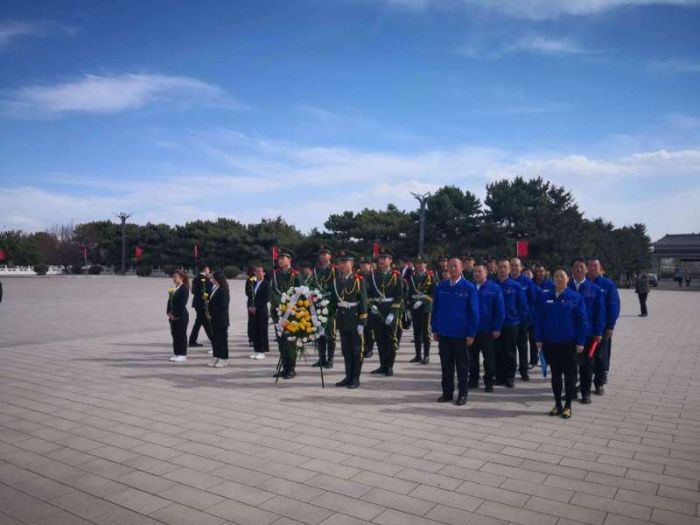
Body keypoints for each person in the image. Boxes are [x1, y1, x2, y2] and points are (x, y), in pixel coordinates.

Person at [535, 267, 588, 419]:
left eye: (562, 276)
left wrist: (581, 341)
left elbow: (582, 322)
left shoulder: (575, 297)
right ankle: (557, 404)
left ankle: (568, 405)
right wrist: (538, 338)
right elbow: (539, 319)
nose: (559, 279)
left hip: (569, 344)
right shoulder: (545, 297)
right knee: (556, 375)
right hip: (551, 343)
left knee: (570, 375)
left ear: (568, 279)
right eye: (556, 276)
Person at [431, 258, 479, 406]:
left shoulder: (469, 287)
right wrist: (435, 328)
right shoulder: (441, 286)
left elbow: (474, 313)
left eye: (455, 266)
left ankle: (462, 394)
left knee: (462, 366)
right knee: (446, 365)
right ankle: (447, 393)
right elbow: (435, 309)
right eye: (450, 266)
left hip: (461, 334)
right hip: (444, 333)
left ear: (461, 268)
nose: (452, 269)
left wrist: (471, 333)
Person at [568, 259, 605, 404]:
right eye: (575, 267)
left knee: (587, 365)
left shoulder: (594, 289)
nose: (578, 270)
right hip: (569, 333)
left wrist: (599, 332)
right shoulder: (565, 287)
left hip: (588, 334)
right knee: (570, 365)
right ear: (571, 270)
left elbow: (600, 312)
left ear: (586, 270)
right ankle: (571, 392)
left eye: (581, 267)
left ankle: (585, 393)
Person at [331, 250, 368, 388]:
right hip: (342, 319)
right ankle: (348, 376)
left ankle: (355, 378)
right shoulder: (336, 280)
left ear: (351, 263)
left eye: (345, 262)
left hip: (355, 319)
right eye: (340, 262)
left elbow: (363, 301)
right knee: (346, 350)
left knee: (356, 350)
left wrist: (362, 322)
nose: (342, 265)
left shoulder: (358, 280)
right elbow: (334, 301)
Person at [367, 247, 403, 377]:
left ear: (390, 260)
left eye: (384, 258)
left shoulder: (396, 276)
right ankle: (382, 365)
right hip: (377, 310)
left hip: (390, 309)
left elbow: (399, 297)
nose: (381, 260)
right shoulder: (372, 276)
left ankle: (390, 366)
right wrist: (372, 306)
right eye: (380, 258)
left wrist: (393, 313)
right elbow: (369, 295)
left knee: (391, 339)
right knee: (379, 339)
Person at [469, 263, 504, 392]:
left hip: (488, 330)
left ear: (486, 272)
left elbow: (500, 310)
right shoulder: (469, 287)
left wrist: (497, 327)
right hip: (472, 330)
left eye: (479, 271)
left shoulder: (494, 288)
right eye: (475, 272)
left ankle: (489, 381)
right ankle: (473, 380)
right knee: (472, 357)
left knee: (489, 358)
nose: (476, 274)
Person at [587, 259, 620, 395]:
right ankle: (584, 383)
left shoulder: (608, 284)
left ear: (600, 268)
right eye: (590, 266)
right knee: (586, 358)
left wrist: (610, 325)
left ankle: (599, 383)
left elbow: (614, 305)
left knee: (601, 357)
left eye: (595, 266)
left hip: (602, 328)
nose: (592, 268)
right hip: (586, 328)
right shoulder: (583, 283)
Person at [494, 259, 528, 388]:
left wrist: (519, 320)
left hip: (511, 323)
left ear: (509, 270)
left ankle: (509, 377)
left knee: (510, 352)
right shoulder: (492, 285)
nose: (502, 269)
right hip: (496, 325)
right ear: (497, 269)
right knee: (497, 351)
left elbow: (522, 305)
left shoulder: (516, 286)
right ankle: (499, 377)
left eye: (505, 267)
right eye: (500, 267)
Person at [270, 248, 302, 379]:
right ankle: (285, 367)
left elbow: (300, 293)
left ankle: (292, 369)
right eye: (279, 258)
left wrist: (289, 307)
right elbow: (272, 292)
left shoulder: (296, 275)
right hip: (278, 312)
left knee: (291, 342)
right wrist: (278, 306)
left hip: (291, 313)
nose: (280, 260)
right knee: (281, 341)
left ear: (290, 260)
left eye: (283, 258)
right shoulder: (275, 274)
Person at [308, 245, 337, 369]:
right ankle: (322, 358)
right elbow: (312, 285)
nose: (323, 256)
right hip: (318, 305)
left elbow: (337, 287)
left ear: (330, 256)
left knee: (330, 333)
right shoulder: (316, 270)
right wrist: (312, 294)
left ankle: (330, 359)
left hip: (330, 306)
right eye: (321, 254)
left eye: (325, 254)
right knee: (320, 333)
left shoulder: (334, 269)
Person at [510, 257, 537, 381]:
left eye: (516, 265)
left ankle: (523, 370)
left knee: (522, 346)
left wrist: (527, 315)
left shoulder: (527, 282)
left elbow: (533, 299)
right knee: (509, 347)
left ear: (521, 267)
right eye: (512, 265)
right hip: (509, 320)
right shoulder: (505, 280)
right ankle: (509, 371)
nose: (514, 268)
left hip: (522, 320)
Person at [407, 256, 435, 364]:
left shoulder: (430, 277)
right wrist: (409, 308)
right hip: (415, 307)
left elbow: (433, 294)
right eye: (417, 263)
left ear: (425, 264)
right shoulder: (413, 277)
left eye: (421, 263)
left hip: (425, 308)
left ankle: (426, 356)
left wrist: (422, 301)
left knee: (426, 332)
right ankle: (418, 355)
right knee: (416, 332)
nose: (419, 265)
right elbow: (409, 294)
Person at [207, 270, 230, 368]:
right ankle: (216, 356)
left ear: (217, 279)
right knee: (215, 339)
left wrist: (212, 314)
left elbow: (222, 306)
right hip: (213, 319)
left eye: (212, 277)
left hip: (221, 319)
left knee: (222, 339)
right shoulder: (214, 288)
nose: (211, 279)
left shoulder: (223, 289)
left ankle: (224, 358)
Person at [167, 269, 190, 363]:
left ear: (182, 278)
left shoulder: (184, 288)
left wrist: (175, 315)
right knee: (175, 335)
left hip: (180, 316)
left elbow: (181, 304)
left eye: (175, 277)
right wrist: (168, 312)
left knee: (181, 335)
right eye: (173, 277)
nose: (174, 278)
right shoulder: (175, 288)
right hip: (172, 316)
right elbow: (169, 301)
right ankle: (177, 353)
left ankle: (182, 354)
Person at [248, 265, 270, 359]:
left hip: (262, 310)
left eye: (259, 271)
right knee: (255, 330)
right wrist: (250, 306)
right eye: (256, 271)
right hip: (253, 311)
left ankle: (262, 351)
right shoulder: (253, 283)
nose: (257, 273)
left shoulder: (266, 284)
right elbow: (250, 296)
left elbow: (266, 298)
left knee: (262, 330)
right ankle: (256, 350)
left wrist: (256, 306)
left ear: (264, 273)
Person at [188, 264, 212, 348]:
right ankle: (213, 339)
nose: (209, 271)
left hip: (196, 303)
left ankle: (192, 340)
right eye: (208, 269)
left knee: (202, 321)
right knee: (203, 321)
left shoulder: (195, 278)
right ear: (205, 269)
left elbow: (193, 291)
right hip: (203, 303)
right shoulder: (206, 279)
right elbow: (209, 292)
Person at [359, 256, 376, 359]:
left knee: (369, 329)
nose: (363, 266)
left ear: (370, 265)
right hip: (359, 307)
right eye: (362, 264)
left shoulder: (373, 277)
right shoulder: (357, 276)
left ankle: (369, 349)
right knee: (360, 329)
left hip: (370, 306)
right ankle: (362, 347)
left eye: (365, 264)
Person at [244, 266, 256, 347]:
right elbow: (248, 292)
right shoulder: (250, 280)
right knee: (251, 321)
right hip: (251, 303)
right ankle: (251, 339)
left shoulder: (257, 280)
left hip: (256, 303)